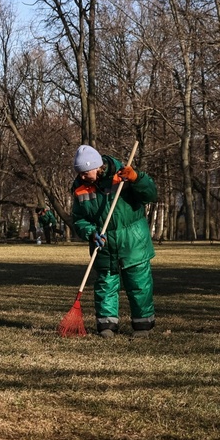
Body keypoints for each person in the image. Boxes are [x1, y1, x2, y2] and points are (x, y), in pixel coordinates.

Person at [71, 144, 158, 338]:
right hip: (103, 244)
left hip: (133, 242)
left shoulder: (123, 176)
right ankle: (106, 325)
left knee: (138, 284)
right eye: (80, 173)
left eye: (86, 172)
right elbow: (79, 219)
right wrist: (92, 233)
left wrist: (137, 179)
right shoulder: (79, 187)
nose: (82, 177)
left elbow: (151, 194)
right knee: (105, 285)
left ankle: (143, 325)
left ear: (97, 166)